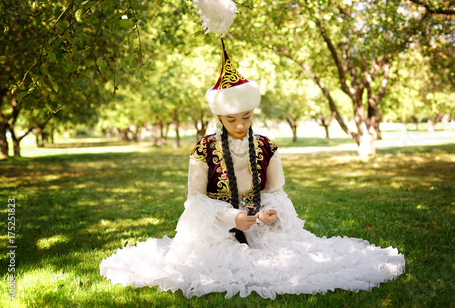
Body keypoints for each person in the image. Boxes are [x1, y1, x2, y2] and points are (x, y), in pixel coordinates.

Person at [99, 38, 405, 299]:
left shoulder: (267, 146)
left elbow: (276, 192)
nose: (241, 125)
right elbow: (195, 201)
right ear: (219, 118)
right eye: (232, 120)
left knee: (290, 258)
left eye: (246, 116)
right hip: (215, 229)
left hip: (260, 226)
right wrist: (232, 217)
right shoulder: (203, 149)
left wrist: (268, 214)